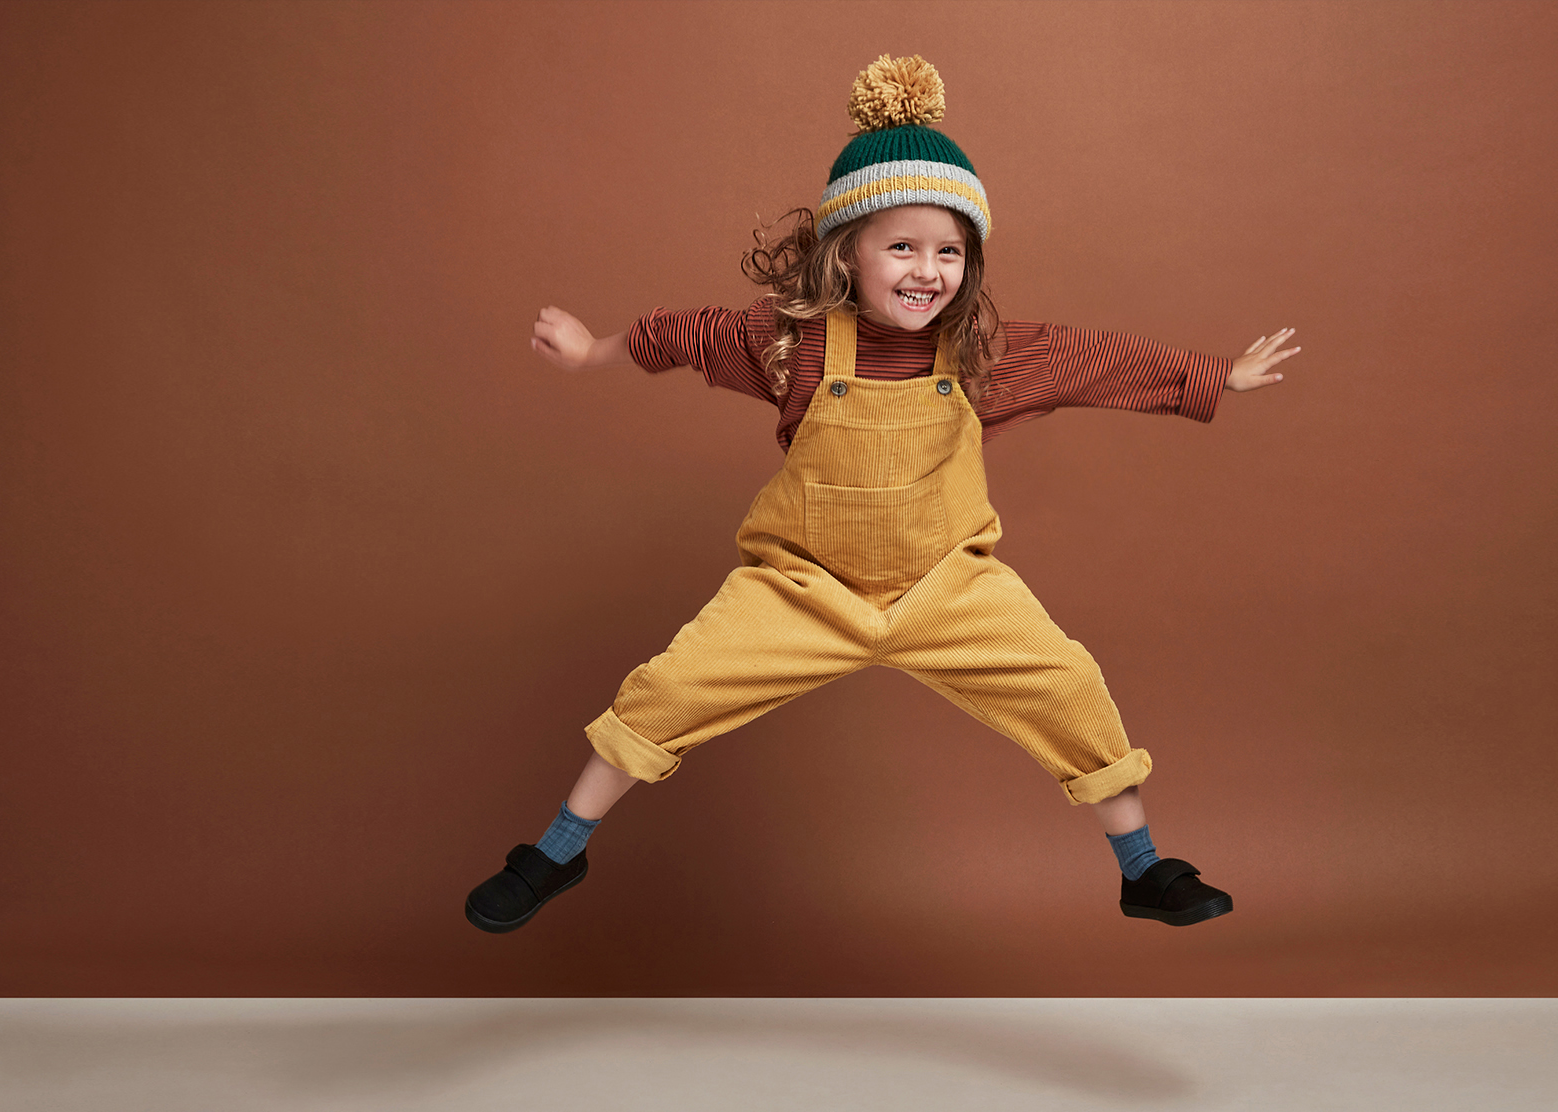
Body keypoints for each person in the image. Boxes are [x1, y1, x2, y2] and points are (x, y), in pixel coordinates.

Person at [465, 55, 1298, 935]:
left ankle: (1143, 868)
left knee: (1072, 686)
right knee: (662, 693)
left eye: (949, 251)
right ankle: (555, 852)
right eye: (902, 245)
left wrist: (1216, 376)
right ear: (847, 252)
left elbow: (1099, 362)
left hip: (949, 588)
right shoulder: (791, 344)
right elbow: (676, 334)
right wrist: (591, 350)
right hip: (801, 589)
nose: (926, 269)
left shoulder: (980, 353)